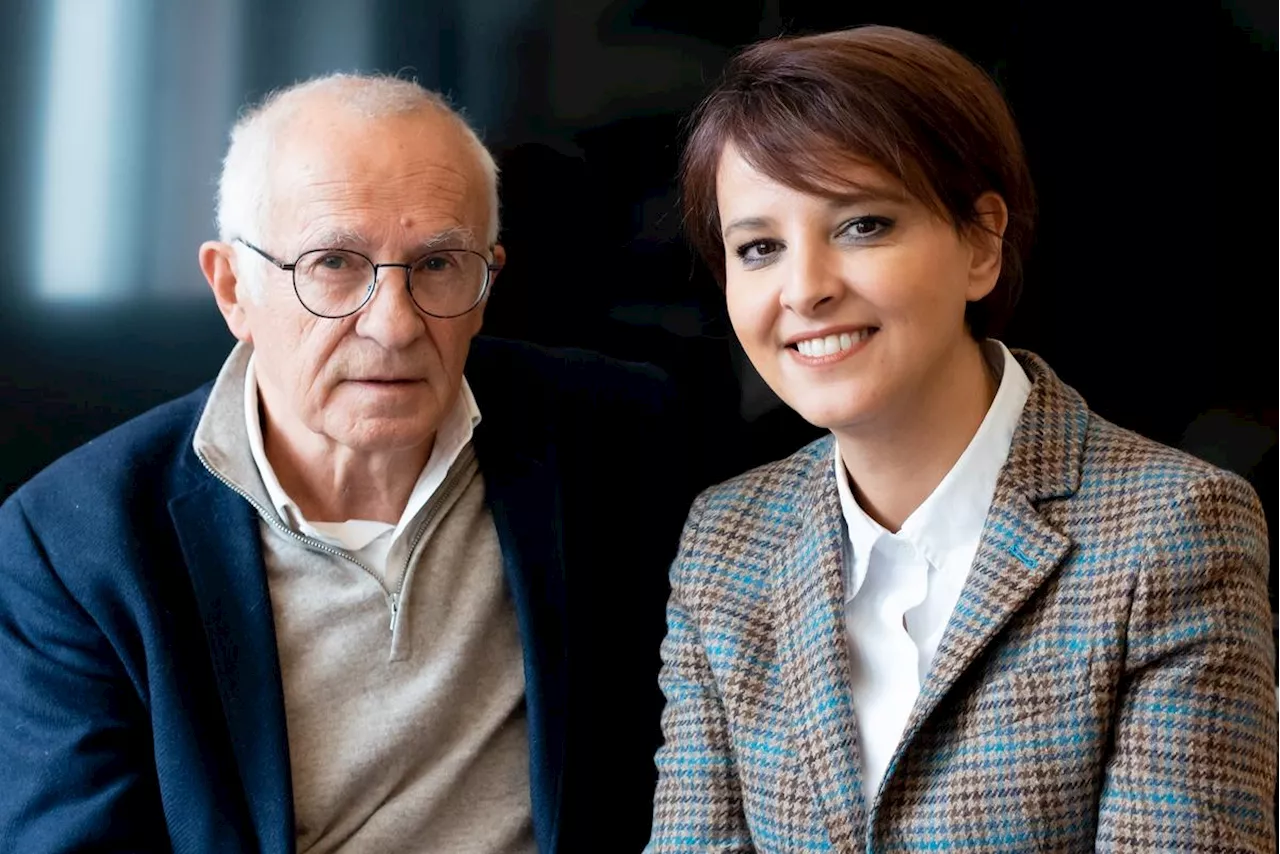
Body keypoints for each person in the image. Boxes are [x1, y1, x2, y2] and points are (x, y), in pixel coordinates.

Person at [0, 74, 689, 853]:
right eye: (333, 262)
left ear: (488, 281)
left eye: (437, 265)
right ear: (233, 288)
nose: (394, 327)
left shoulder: (617, 435)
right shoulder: (70, 546)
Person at [648, 25, 1276, 852]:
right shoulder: (726, 539)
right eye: (759, 247)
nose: (803, 290)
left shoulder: (1171, 530)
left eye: (862, 225)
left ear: (982, 242)